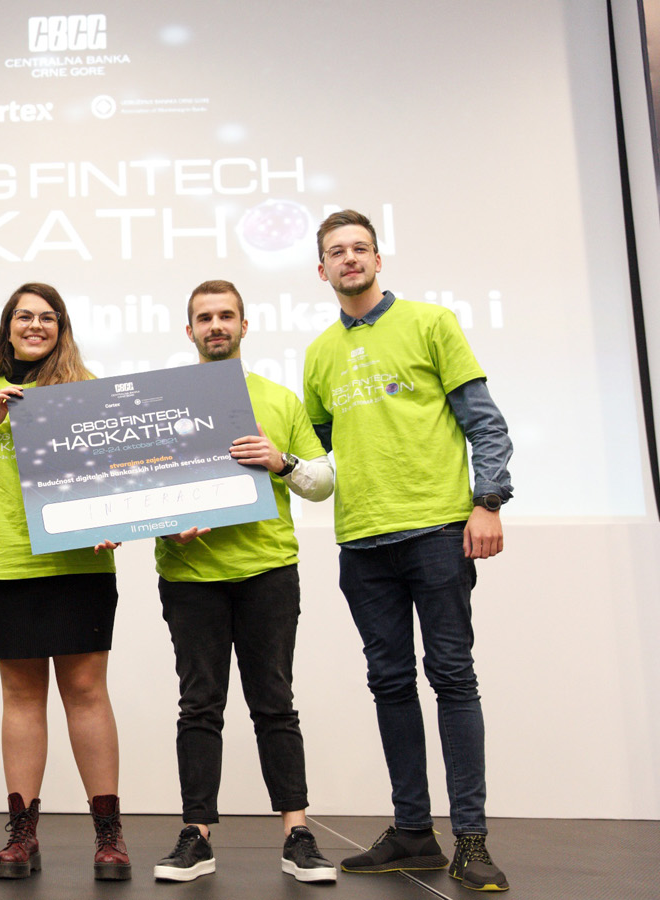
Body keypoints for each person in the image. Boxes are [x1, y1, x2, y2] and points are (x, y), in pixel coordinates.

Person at [303, 210, 513, 892]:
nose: (350, 259)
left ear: (377, 259)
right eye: (337, 251)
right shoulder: (318, 354)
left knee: (452, 677)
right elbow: (317, 451)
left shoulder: (432, 323)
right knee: (389, 684)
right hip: (362, 541)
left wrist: (488, 501)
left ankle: (472, 841)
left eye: (360, 248)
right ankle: (413, 832)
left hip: (438, 532)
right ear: (322, 270)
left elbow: (485, 424)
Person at [151, 280, 337, 885]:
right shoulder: (161, 402)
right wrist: (165, 520)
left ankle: (297, 834)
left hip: (267, 571)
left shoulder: (279, 399)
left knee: (274, 703)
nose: (216, 326)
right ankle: (196, 836)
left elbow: (322, 482)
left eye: (226, 315)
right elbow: (140, 483)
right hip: (190, 575)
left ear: (244, 325)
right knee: (198, 706)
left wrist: (281, 461)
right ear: (189, 330)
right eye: (204, 317)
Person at [0, 282, 130, 882]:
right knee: (22, 696)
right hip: (7, 563)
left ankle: (109, 836)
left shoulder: (88, 389)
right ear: (7, 327)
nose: (35, 325)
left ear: (61, 328)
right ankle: (22, 834)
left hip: (80, 565)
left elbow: (117, 474)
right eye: (24, 316)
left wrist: (113, 521)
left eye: (47, 317)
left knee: (87, 692)